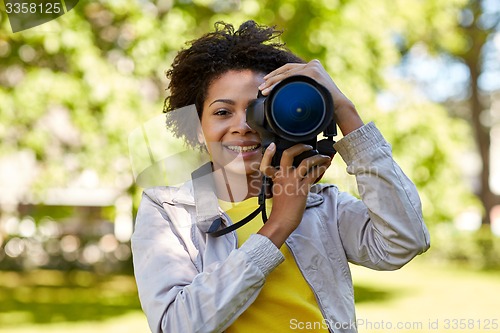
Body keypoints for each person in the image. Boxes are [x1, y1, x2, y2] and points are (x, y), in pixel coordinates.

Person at [131, 20, 430, 333]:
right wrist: (277, 225)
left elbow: (405, 240)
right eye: (222, 112)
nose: (242, 126)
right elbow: (175, 326)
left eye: (257, 109)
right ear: (198, 129)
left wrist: (343, 108)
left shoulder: (320, 204)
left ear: (280, 119)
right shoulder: (169, 211)